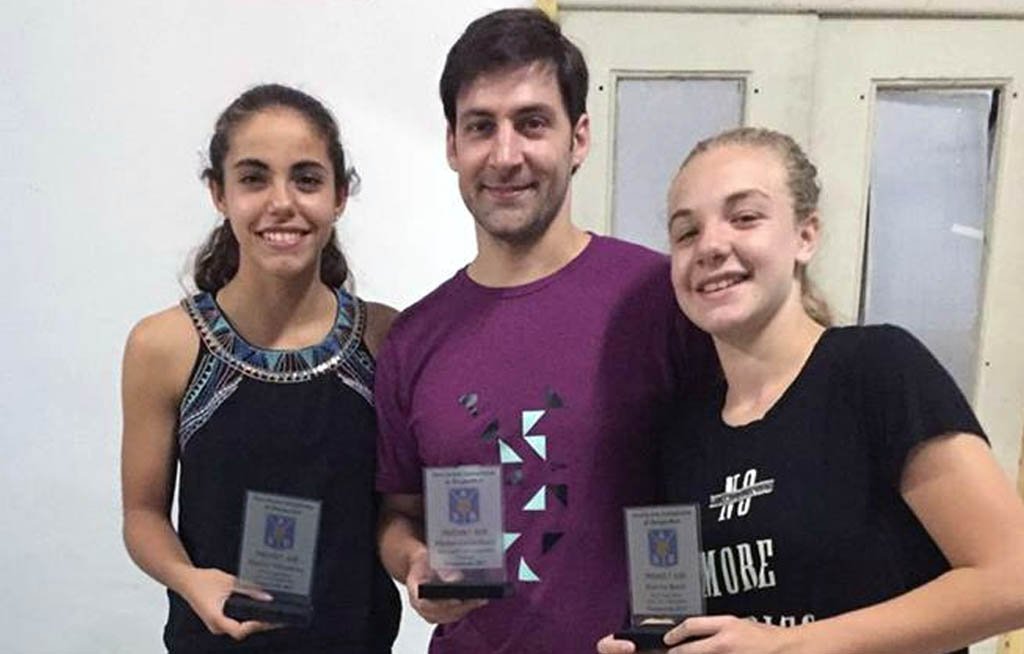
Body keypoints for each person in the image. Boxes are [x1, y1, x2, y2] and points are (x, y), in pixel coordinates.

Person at [598, 127, 1024, 654]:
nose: (710, 245)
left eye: (744, 217)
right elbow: (677, 623)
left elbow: (1012, 579)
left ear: (806, 235)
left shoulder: (879, 370)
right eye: (686, 232)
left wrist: (790, 645)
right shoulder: (681, 437)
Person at [374, 8, 709, 654]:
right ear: (452, 146)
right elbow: (398, 513)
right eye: (481, 127)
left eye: (532, 123)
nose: (506, 156)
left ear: (578, 138)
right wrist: (414, 561)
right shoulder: (412, 339)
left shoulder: (661, 298)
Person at [120, 84, 400, 653]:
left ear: (340, 195)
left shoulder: (385, 337)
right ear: (219, 193)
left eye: (306, 179)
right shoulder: (164, 345)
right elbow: (143, 514)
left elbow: (398, 514)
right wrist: (190, 580)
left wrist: (426, 563)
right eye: (254, 178)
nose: (282, 203)